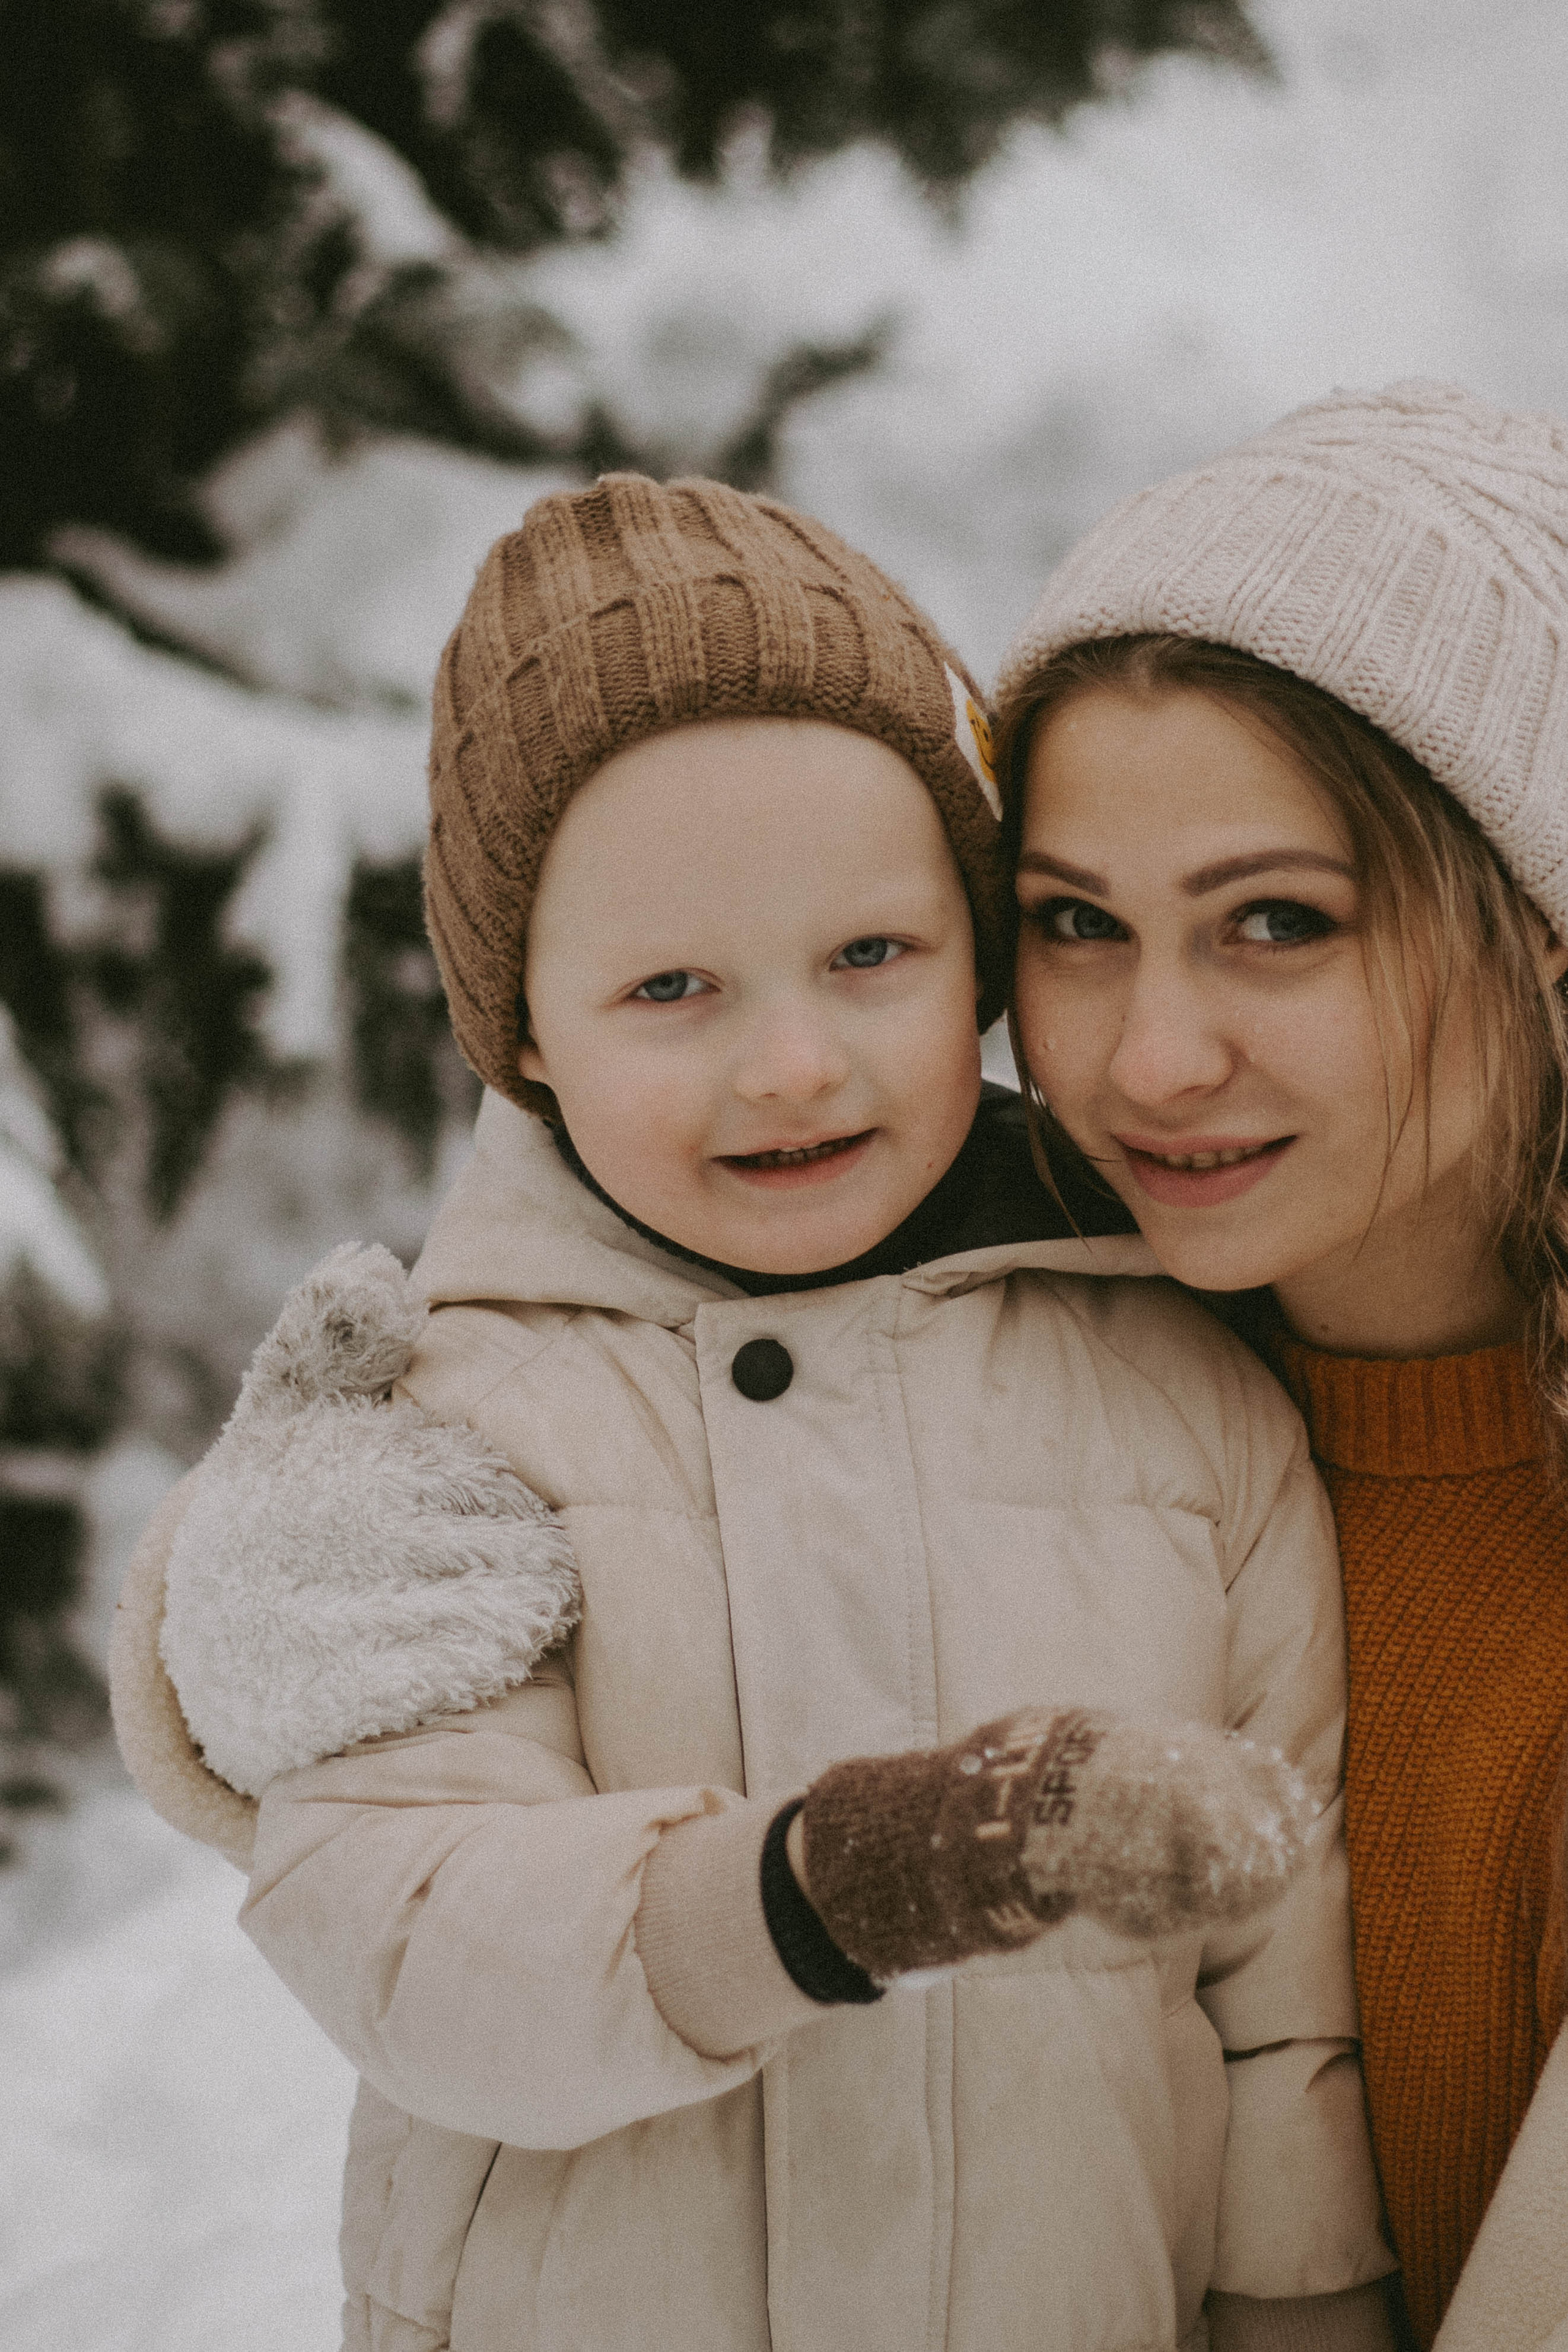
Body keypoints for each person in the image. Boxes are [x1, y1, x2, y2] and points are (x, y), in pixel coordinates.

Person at [110, 475, 1394, 2352]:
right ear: (525, 1033)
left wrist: (1312, 2309)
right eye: (670, 988)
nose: (790, 1062)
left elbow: (1291, 1993)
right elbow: (411, 1939)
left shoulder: (1185, 1393)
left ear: (975, 955)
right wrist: (817, 1891)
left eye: (871, 955)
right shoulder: (433, 1441)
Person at [993, 380, 1568, 2352]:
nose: (1150, 1060)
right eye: (1075, 923)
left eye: (1276, 923)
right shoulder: (1014, 1425)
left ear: (1547, 929)